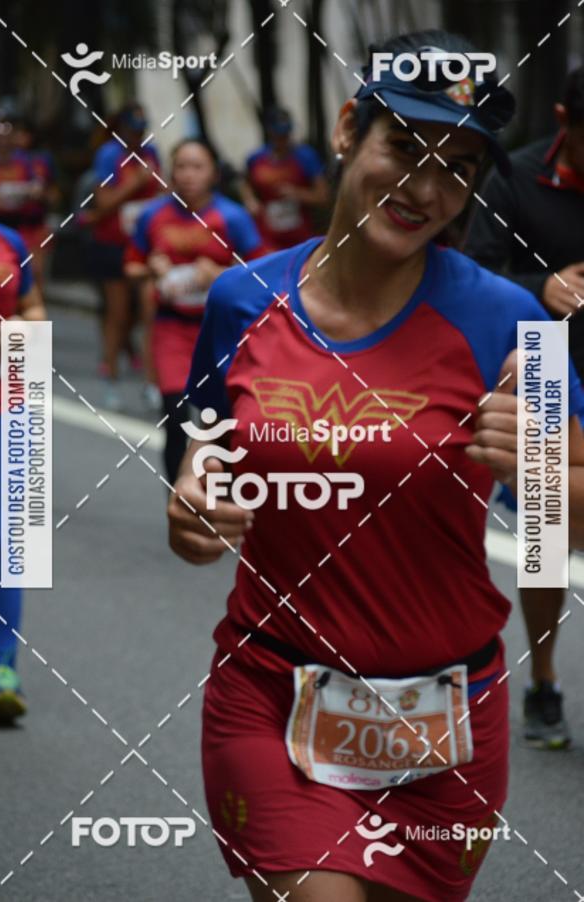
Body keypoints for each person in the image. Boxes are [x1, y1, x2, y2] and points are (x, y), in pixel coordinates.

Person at [167, 31, 584, 902]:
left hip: (450, 717)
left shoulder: (509, 322)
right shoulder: (241, 300)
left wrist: (540, 464)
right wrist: (194, 510)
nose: (428, 190)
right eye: (408, 147)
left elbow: (561, 530)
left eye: (461, 168)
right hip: (274, 696)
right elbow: (196, 458)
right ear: (352, 127)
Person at [465, 66, 584, 750]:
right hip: (540, 361)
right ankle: (542, 679)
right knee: (547, 536)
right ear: (566, 118)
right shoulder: (514, 176)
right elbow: (473, 275)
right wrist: (543, 285)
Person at [124, 139, 264, 485]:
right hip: (171, 327)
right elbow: (131, 267)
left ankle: (220, 497)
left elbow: (262, 275)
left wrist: (217, 275)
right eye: (181, 166)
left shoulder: (233, 217)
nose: (188, 175)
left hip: (220, 330)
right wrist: (153, 269)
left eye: (197, 166)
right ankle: (179, 498)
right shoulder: (152, 216)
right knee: (175, 418)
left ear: (214, 173)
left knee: (220, 421)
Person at [0, 142, 45, 723]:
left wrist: (17, 330)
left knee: (6, 539)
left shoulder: (9, 243)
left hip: (5, 406)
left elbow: (34, 310)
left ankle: (4, 667)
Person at [89, 103, 162, 411]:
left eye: (141, 131)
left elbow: (161, 195)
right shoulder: (109, 155)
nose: (137, 137)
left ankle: (152, 383)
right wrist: (135, 183)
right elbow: (102, 203)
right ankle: (110, 377)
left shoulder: (151, 153)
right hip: (112, 244)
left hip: (144, 245)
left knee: (150, 313)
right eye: (132, 131)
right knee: (117, 314)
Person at [240, 107, 329, 252]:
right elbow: (245, 183)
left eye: (286, 134)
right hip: (266, 235)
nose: (282, 139)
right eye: (278, 134)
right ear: (270, 132)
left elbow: (323, 196)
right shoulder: (256, 158)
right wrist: (250, 201)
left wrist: (298, 194)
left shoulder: (306, 156)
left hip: (300, 234)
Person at [0, 114, 56, 290]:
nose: (2, 136)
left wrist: (39, 193)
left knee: (34, 275)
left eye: (8, 129)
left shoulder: (33, 162)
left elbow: (54, 195)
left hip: (29, 227)